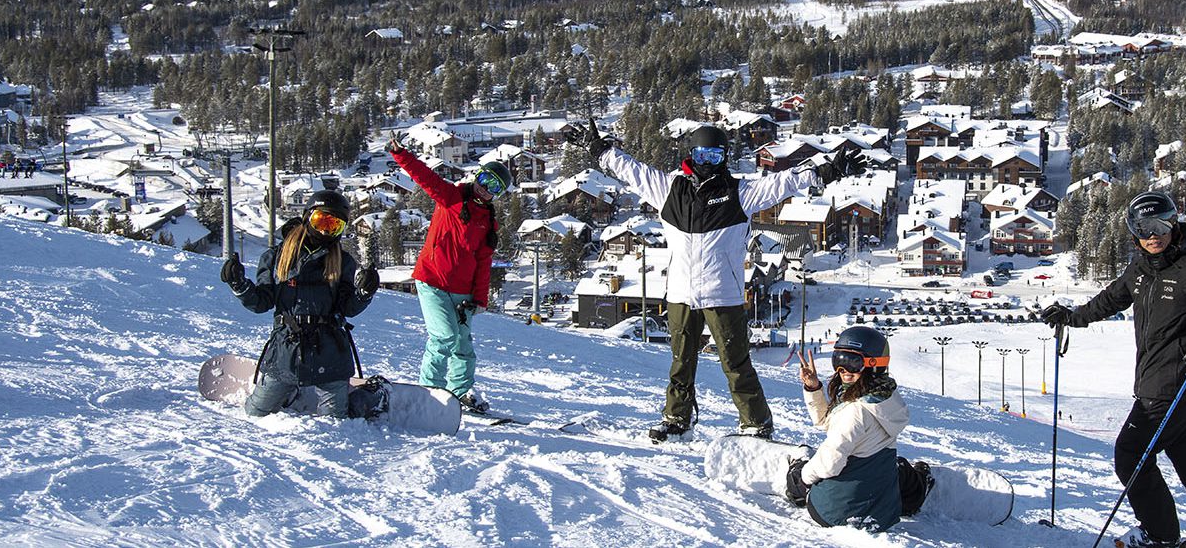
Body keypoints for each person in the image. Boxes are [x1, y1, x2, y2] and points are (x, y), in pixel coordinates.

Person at [566, 119, 866, 442]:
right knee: (681, 361)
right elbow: (632, 171)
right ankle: (677, 417)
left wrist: (826, 171)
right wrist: (599, 151)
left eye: (714, 156)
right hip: (680, 293)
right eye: (701, 154)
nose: (707, 162)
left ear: (723, 157)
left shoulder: (739, 193)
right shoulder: (669, 189)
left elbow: (783, 183)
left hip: (723, 294)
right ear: (691, 155)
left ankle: (755, 421)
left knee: (736, 363)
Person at [1041, 191, 1186, 548]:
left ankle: (1159, 534)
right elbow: (1110, 300)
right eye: (1142, 228)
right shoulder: (1140, 269)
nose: (1152, 235)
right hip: (1155, 381)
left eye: (1159, 225)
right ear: (1133, 232)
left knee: (1130, 454)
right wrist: (1072, 317)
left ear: (1172, 223)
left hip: (1177, 383)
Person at [220, 189, 378, 418]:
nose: (325, 230)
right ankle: (291, 391)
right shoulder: (276, 257)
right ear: (307, 217)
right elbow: (261, 302)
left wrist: (364, 293)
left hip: (330, 350)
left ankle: (371, 396)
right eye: (321, 220)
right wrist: (239, 284)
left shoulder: (342, 261)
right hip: (286, 351)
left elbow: (348, 308)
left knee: (335, 421)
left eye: (334, 226)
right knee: (255, 413)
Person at [387, 131, 514, 412]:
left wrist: (480, 299)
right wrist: (401, 154)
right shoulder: (452, 197)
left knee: (463, 346)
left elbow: (483, 263)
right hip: (432, 281)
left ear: (498, 195)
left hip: (463, 291)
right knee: (444, 335)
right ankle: (428, 391)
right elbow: (426, 179)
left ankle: (458, 395)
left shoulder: (488, 222)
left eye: (493, 187)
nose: (485, 188)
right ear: (476, 176)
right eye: (484, 180)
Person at [786, 326, 932, 533]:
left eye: (853, 362)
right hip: (882, 514)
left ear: (874, 365)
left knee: (801, 473)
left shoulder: (855, 411)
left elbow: (829, 464)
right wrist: (813, 387)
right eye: (838, 360)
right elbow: (827, 421)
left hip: (832, 513)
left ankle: (798, 483)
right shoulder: (885, 399)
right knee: (895, 466)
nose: (843, 370)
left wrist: (804, 477)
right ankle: (917, 490)